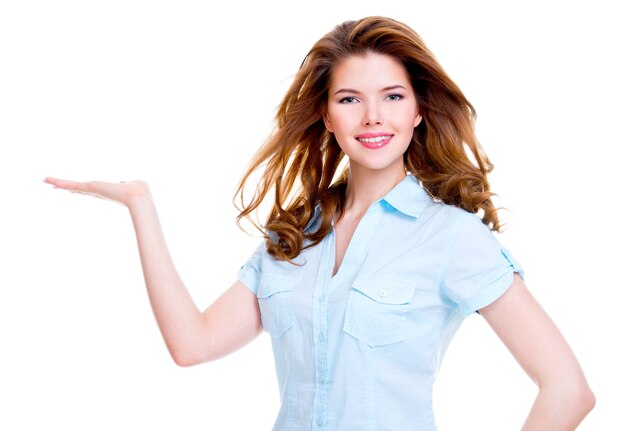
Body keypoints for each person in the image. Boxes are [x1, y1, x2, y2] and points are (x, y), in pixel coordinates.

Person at [45, 16, 594, 431]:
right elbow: (192, 345)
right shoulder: (296, 239)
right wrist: (141, 206)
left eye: (393, 97)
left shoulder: (450, 237)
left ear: (419, 111)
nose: (373, 117)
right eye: (351, 99)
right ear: (328, 117)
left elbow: (568, 390)